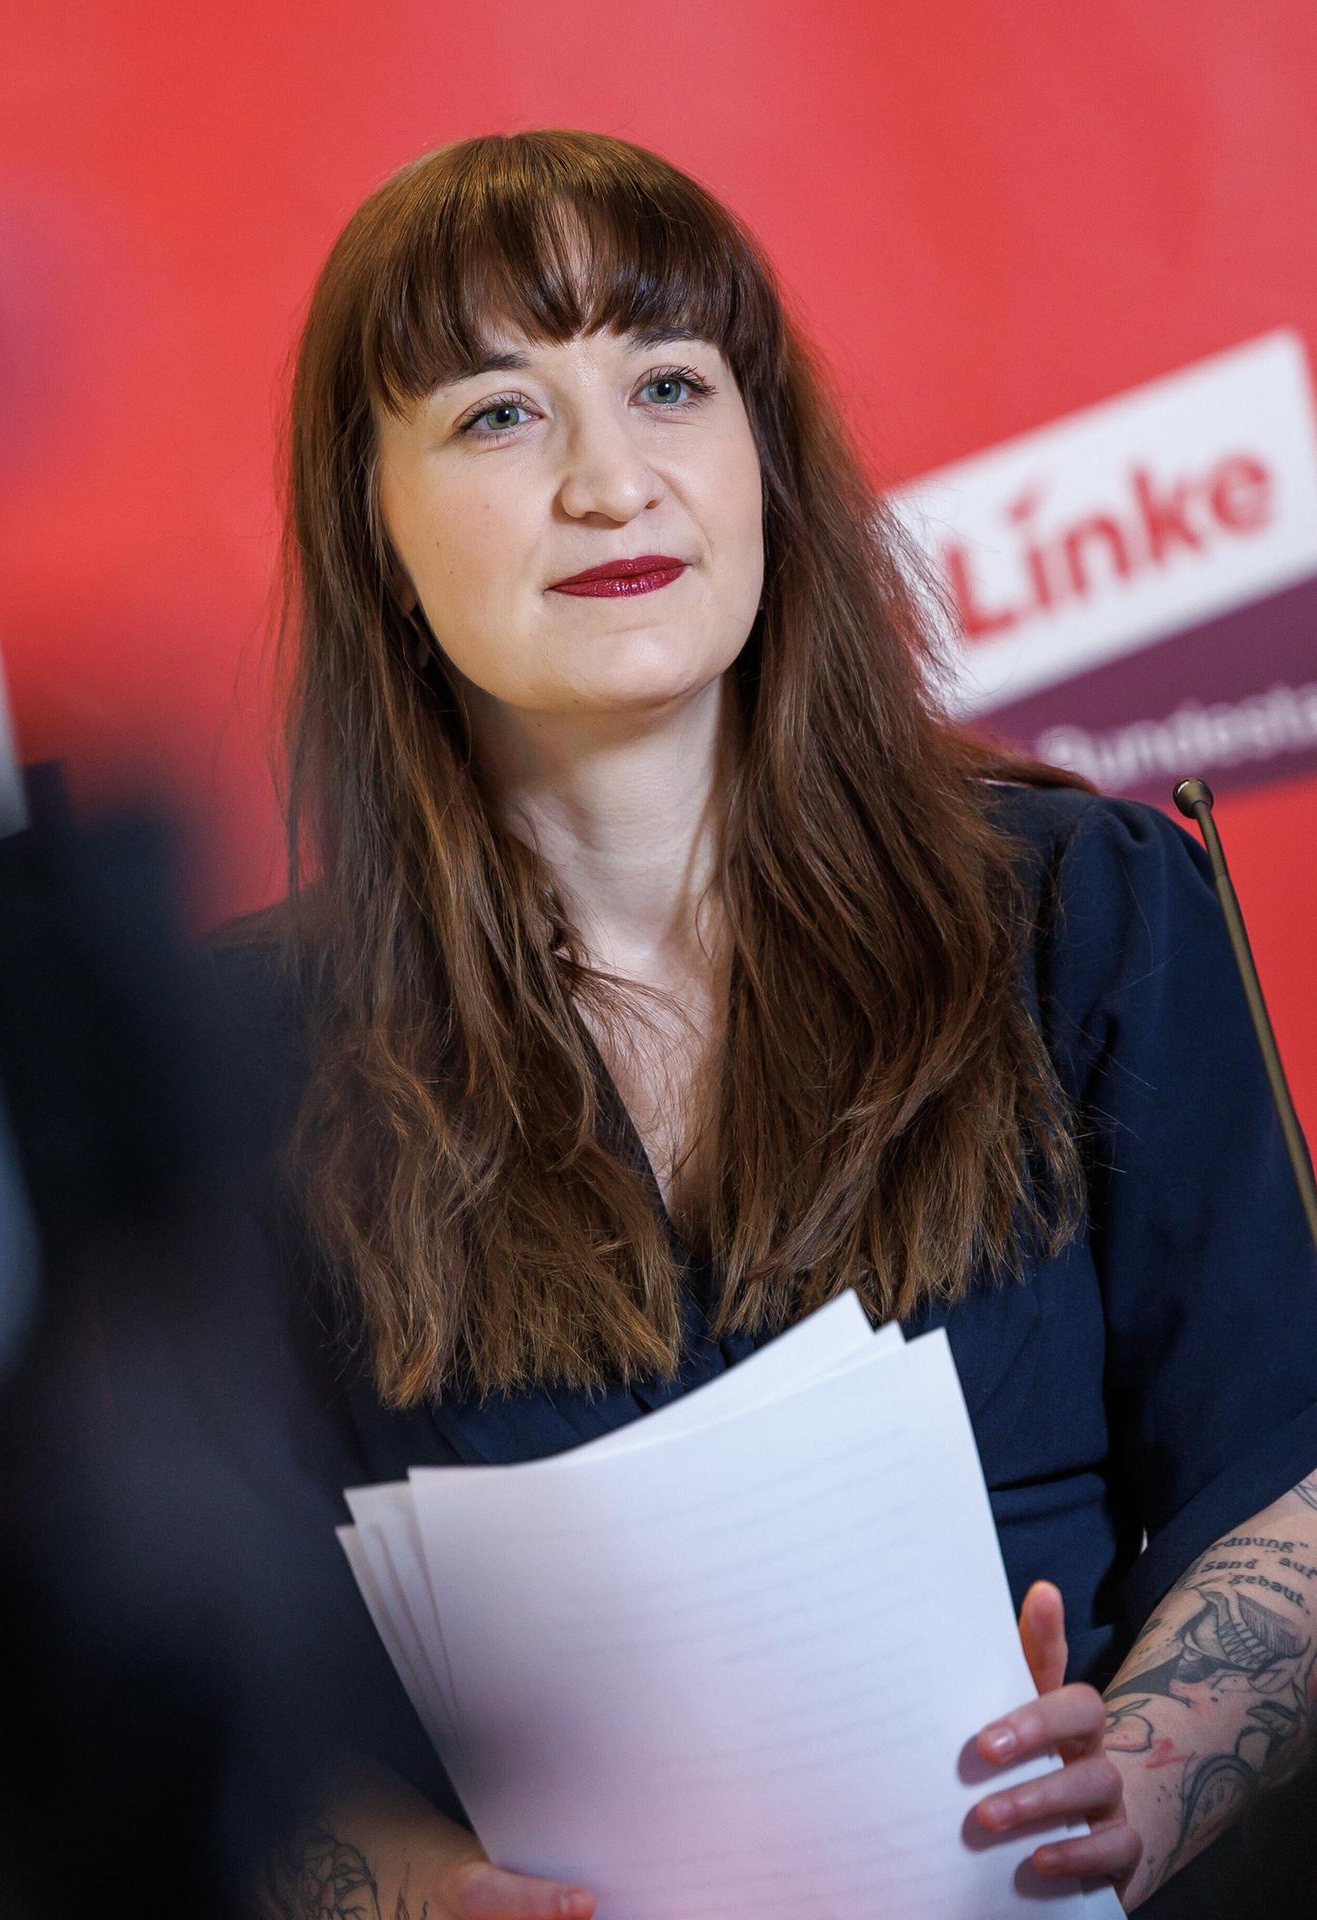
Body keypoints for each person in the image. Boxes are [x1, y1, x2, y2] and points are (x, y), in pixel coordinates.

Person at [211, 128, 1317, 1916]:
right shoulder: (237, 1060)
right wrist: (395, 1892)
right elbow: (205, 1710)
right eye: (499, 414)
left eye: (667, 384)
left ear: (764, 462)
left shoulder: (1083, 907)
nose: (609, 482)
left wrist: (1167, 1752)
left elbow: (1294, 1467)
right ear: (375, 530)